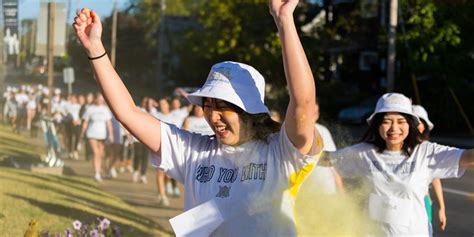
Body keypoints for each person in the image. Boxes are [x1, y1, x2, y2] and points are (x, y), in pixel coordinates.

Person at [73, 0, 322, 235]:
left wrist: (284, 20)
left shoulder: (281, 153)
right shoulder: (194, 151)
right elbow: (128, 113)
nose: (213, 116)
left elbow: (303, 106)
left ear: (250, 111)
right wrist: (95, 49)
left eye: (224, 107)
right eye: (208, 106)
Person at [319, 93, 474, 236]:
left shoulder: (425, 152)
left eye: (401, 121)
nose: (394, 128)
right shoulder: (364, 153)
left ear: (410, 125)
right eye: (387, 122)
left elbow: (467, 157)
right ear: (378, 124)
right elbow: (325, 159)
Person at [412, 104, 447, 233]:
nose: (416, 125)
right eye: (413, 120)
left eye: (420, 121)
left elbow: (435, 179)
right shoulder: (391, 148)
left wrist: (441, 208)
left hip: (422, 200)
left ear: (425, 126)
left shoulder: (426, 149)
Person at [80, 94, 113, 182]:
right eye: (98, 99)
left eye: (101, 99)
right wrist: (82, 133)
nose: (100, 101)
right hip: (92, 133)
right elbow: (85, 122)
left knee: (100, 154)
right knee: (95, 152)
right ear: (95, 99)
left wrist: (111, 134)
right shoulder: (90, 109)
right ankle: (97, 173)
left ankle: (98, 169)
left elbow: (109, 123)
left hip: (102, 134)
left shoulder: (105, 110)